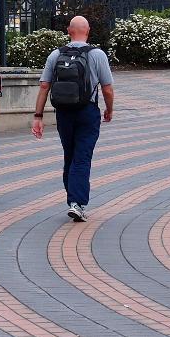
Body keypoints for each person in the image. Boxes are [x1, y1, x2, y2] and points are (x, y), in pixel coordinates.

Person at [31, 15, 115, 222]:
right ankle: (76, 203)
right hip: (88, 112)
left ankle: (72, 199)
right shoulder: (97, 55)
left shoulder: (55, 55)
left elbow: (44, 86)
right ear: (88, 31)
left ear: (69, 31)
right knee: (82, 157)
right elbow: (108, 89)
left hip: (64, 113)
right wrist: (109, 110)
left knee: (70, 155)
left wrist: (38, 116)